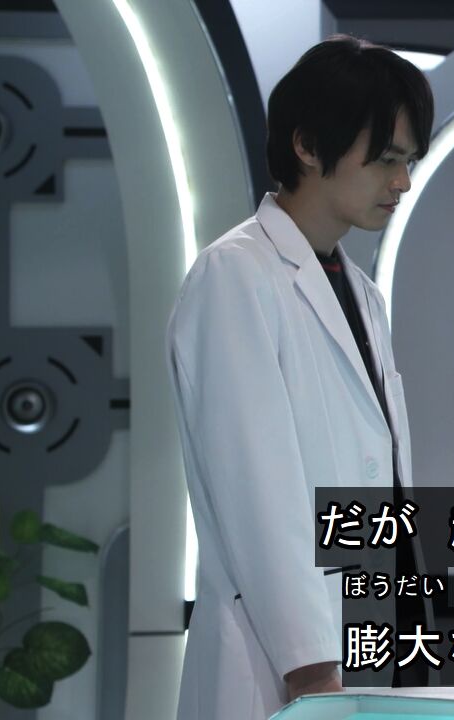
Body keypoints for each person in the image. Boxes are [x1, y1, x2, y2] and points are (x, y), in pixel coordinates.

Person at [166, 35, 433, 718]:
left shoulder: (360, 292)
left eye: (408, 162)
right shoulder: (236, 275)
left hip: (373, 646)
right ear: (309, 146)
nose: (401, 182)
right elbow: (259, 489)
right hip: (287, 669)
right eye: (386, 159)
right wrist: (313, 670)